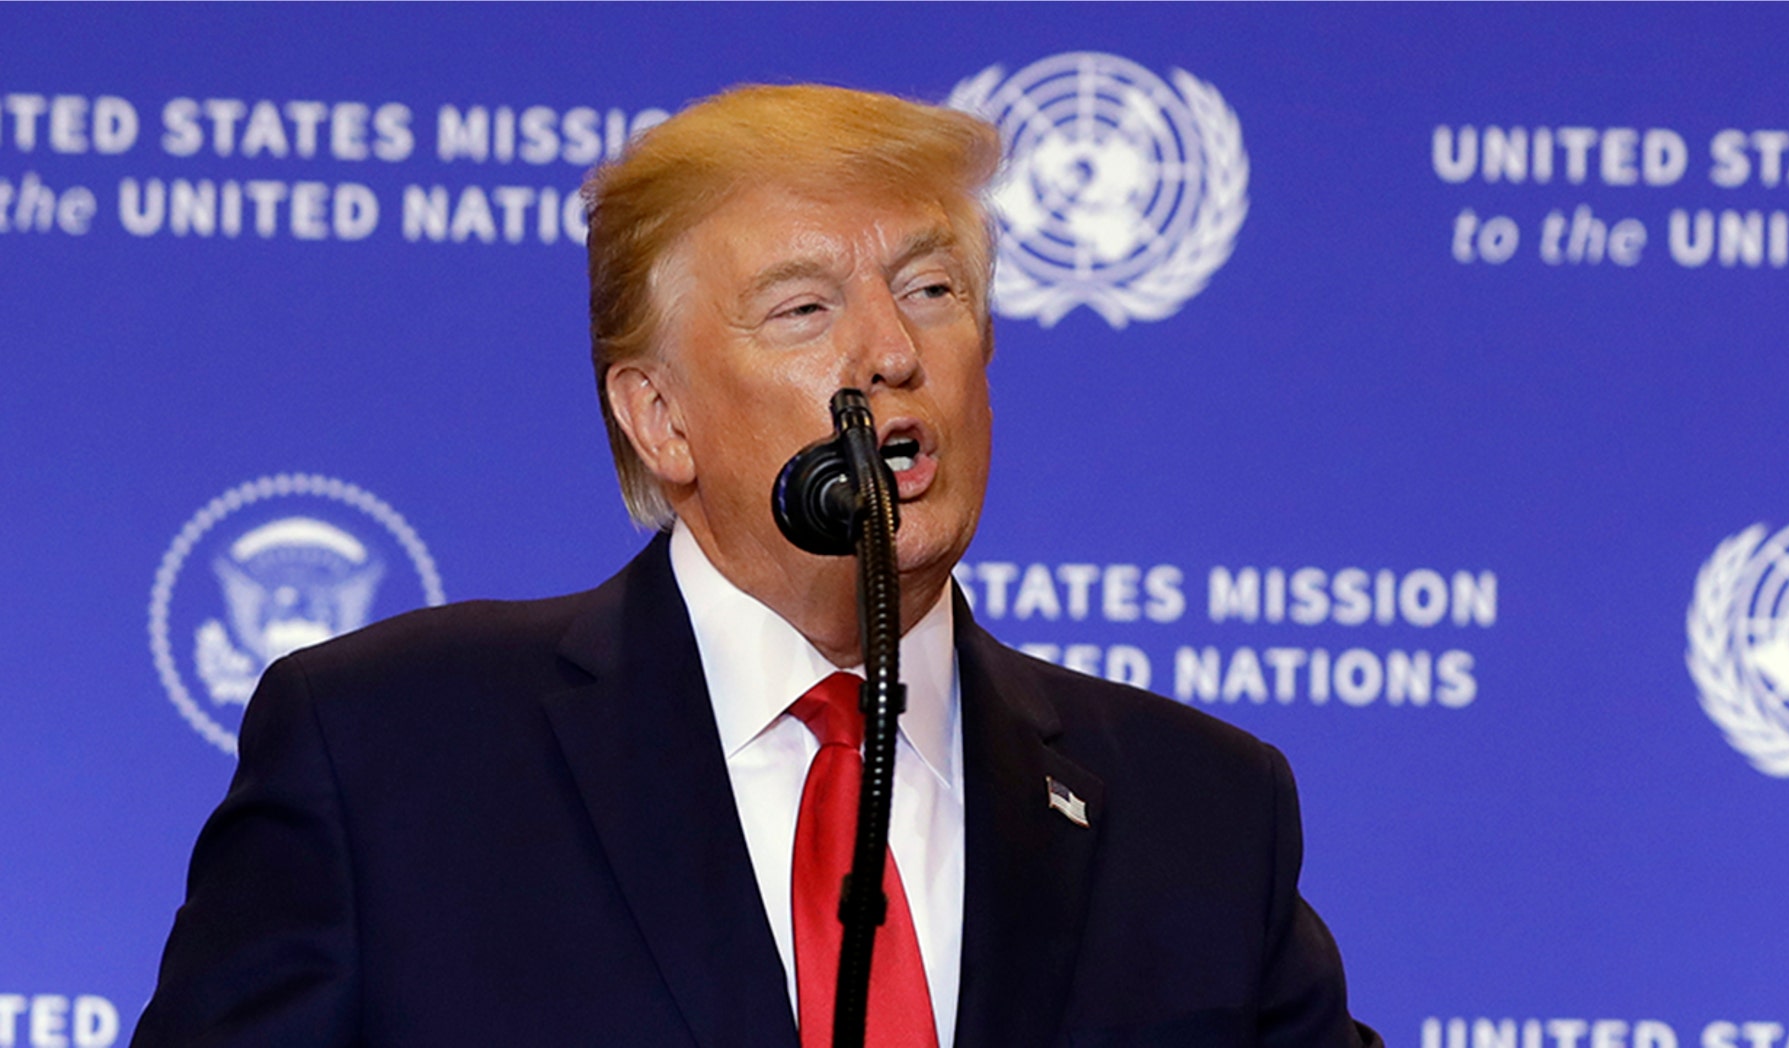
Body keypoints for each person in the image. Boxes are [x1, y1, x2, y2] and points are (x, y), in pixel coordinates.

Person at [132, 84, 1382, 1047]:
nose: (890, 352)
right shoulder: (394, 754)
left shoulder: (1197, 814)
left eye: (932, 288)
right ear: (659, 417)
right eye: (803, 309)